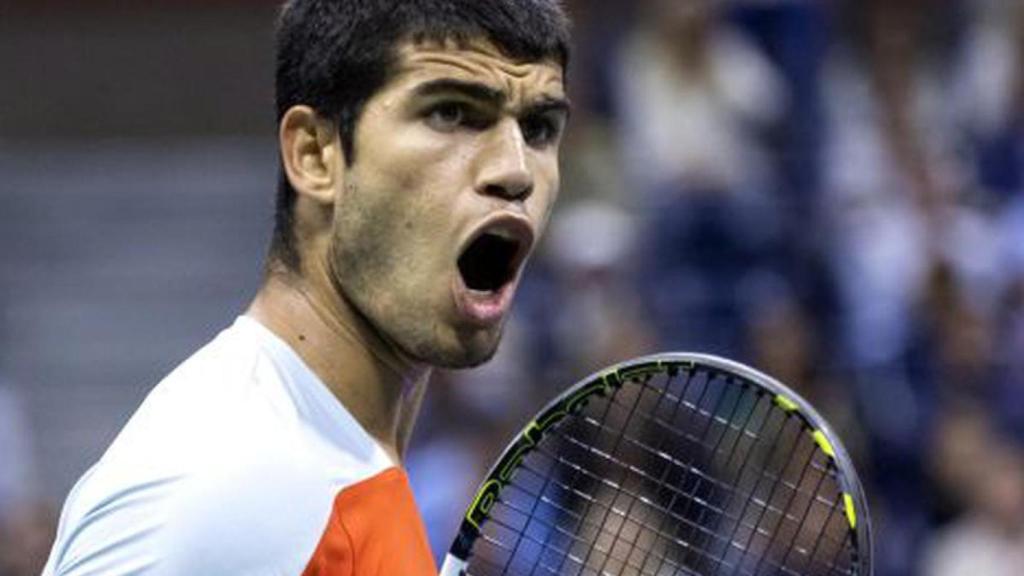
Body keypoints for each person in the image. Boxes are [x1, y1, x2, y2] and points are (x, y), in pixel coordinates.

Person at [42, 0, 571, 574]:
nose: (517, 171)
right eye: (450, 114)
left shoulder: (335, 467)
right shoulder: (228, 492)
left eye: (539, 128)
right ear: (315, 154)